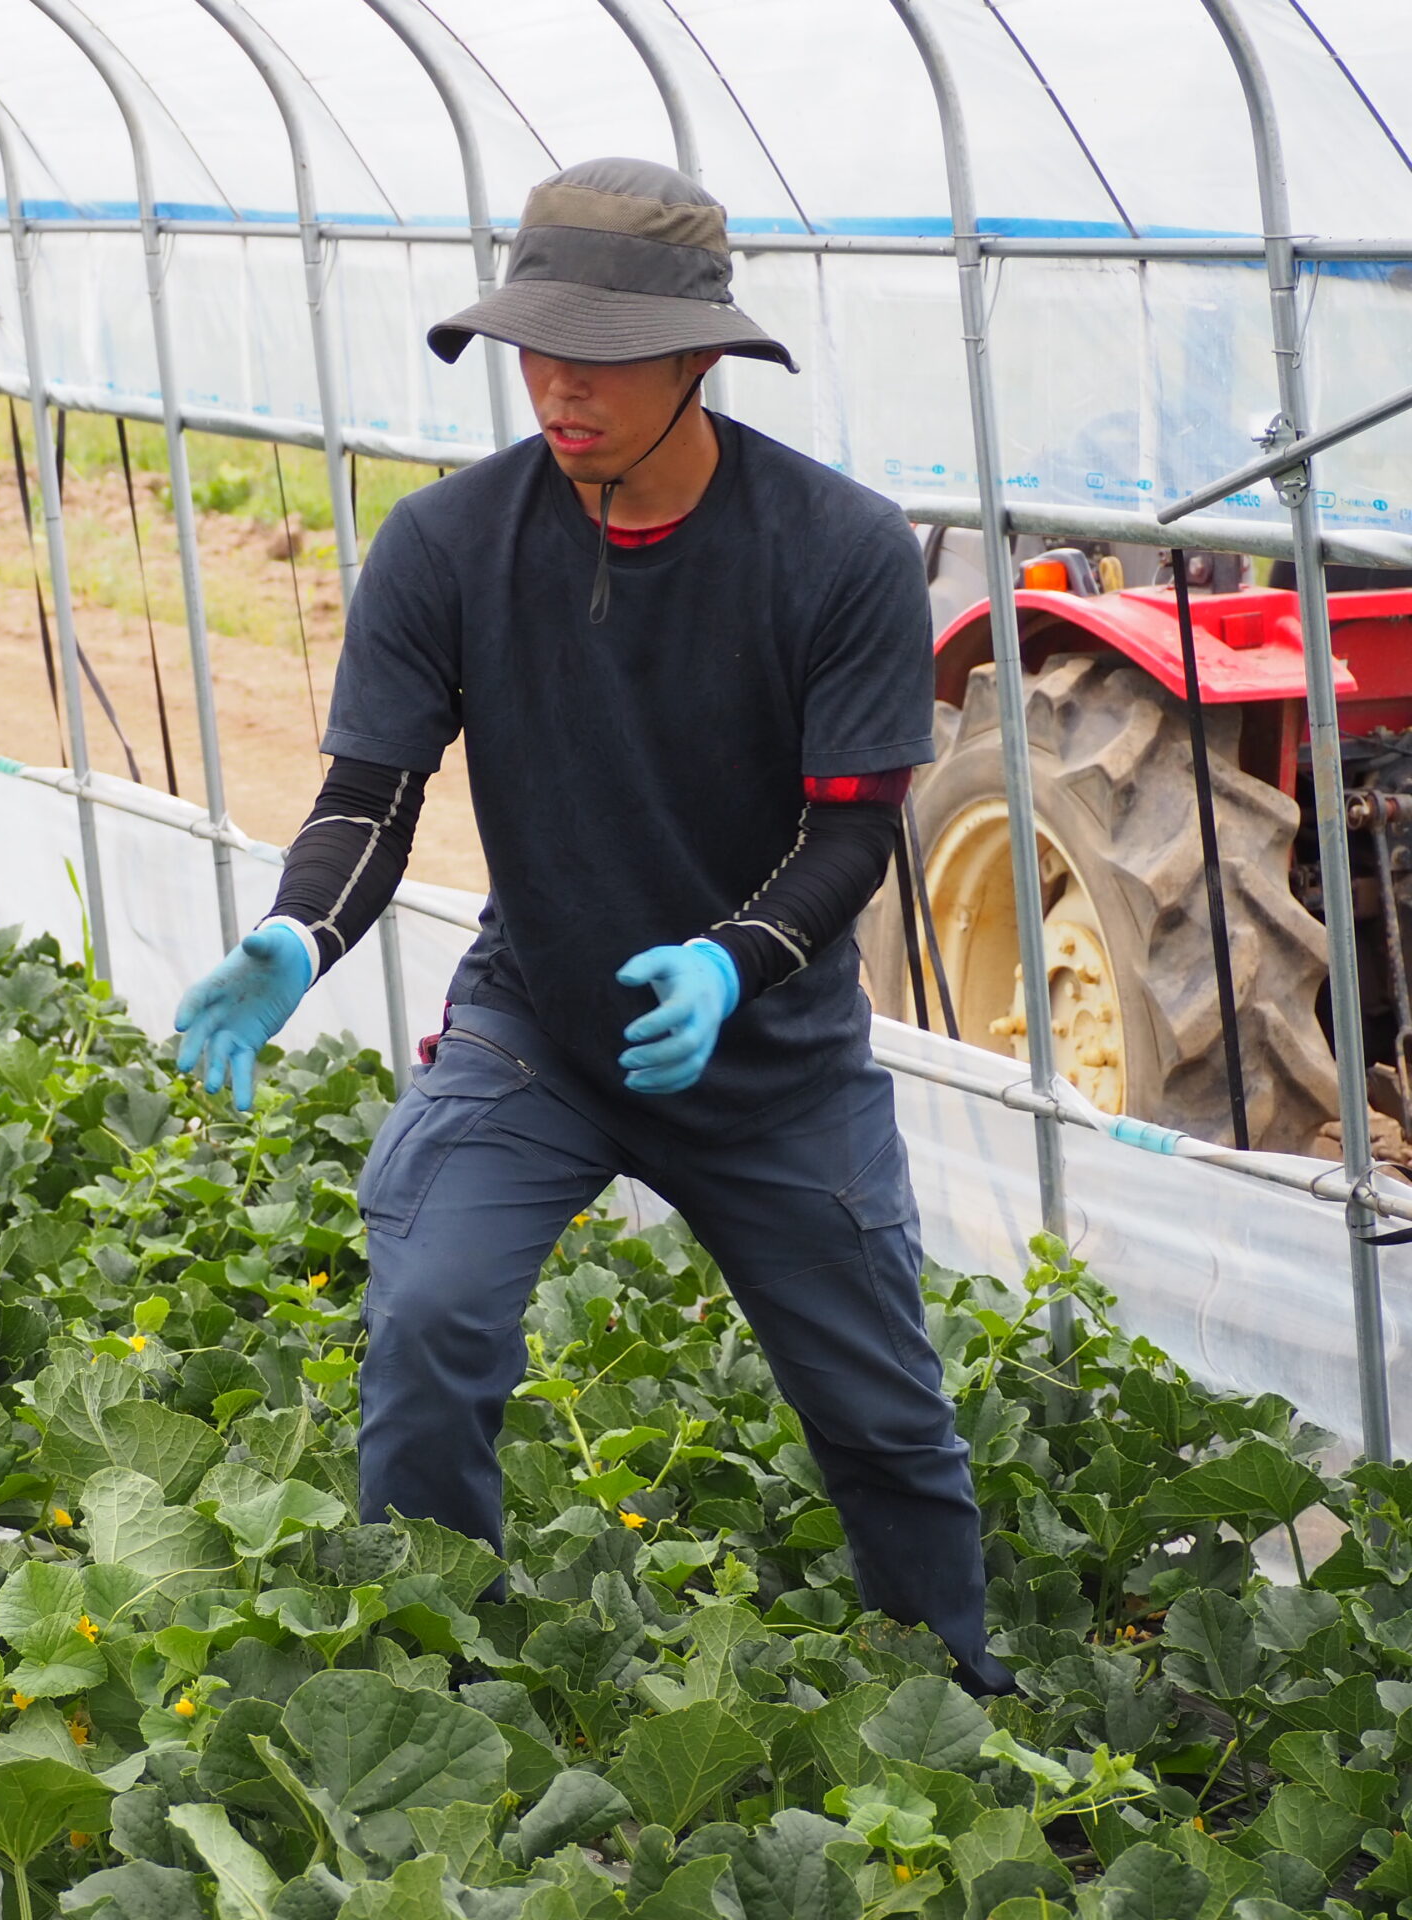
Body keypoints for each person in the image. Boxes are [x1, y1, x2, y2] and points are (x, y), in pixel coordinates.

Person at [173, 158, 1011, 1696]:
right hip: (540, 1026)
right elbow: (373, 795)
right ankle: (429, 1690)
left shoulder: (838, 552)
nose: (557, 385)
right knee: (430, 1316)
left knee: (885, 1413)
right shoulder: (445, 547)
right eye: (533, 346)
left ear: (700, 354)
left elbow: (851, 834)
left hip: (772, 1059)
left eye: (602, 352)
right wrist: (299, 935)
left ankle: (953, 1712)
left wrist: (728, 961)